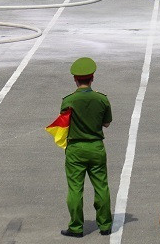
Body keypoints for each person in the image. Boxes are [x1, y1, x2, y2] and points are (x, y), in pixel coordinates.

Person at [59, 57, 113, 238]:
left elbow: (63, 124)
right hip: (96, 147)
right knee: (101, 187)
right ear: (93, 78)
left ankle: (76, 227)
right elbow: (106, 123)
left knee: (75, 189)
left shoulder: (68, 101)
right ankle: (105, 225)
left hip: (76, 148)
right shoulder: (102, 99)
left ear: (75, 79)